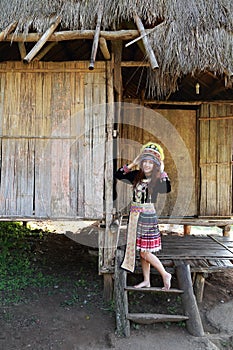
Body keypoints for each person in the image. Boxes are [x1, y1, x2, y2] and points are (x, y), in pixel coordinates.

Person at [115, 142, 172, 290]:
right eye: (144, 161)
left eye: (150, 162)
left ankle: (165, 274)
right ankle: (147, 280)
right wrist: (133, 163)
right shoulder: (136, 175)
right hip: (135, 216)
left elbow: (167, 189)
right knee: (142, 250)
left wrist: (162, 171)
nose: (146, 165)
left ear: (155, 165)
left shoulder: (158, 179)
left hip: (147, 217)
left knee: (145, 252)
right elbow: (118, 174)